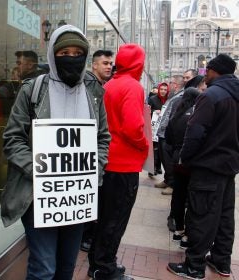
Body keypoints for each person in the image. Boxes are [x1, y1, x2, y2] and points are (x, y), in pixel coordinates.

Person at [1, 25, 110, 280]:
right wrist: (39, 170)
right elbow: (12, 139)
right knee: (43, 269)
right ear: (52, 55)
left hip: (76, 199)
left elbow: (103, 137)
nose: (72, 58)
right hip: (39, 196)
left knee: (66, 268)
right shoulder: (33, 90)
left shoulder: (94, 92)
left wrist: (95, 170)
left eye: (77, 52)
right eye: (64, 53)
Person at [168, 54, 238, 279]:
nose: (204, 74)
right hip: (228, 167)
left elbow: (195, 132)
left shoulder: (211, 96)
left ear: (216, 71)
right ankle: (221, 260)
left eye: (207, 70)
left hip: (207, 167)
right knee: (225, 216)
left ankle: (194, 266)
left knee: (201, 215)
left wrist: (185, 158)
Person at [88, 44, 149, 280]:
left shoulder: (110, 84)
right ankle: (105, 268)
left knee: (104, 218)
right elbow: (133, 127)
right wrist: (144, 145)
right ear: (138, 64)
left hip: (107, 162)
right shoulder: (132, 86)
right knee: (116, 219)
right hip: (124, 165)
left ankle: (99, 262)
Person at [164, 75, 205, 250]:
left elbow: (168, 138)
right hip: (191, 161)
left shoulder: (176, 116)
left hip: (176, 159)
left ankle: (178, 228)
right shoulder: (196, 117)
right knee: (191, 198)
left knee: (178, 195)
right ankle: (187, 234)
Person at [80, 49, 114, 253]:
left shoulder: (98, 86)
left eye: (111, 63)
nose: (109, 66)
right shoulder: (90, 85)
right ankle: (84, 236)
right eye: (105, 63)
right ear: (93, 65)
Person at [147, 82, 169, 176]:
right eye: (161, 89)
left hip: (164, 127)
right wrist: (154, 111)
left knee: (161, 148)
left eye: (165, 89)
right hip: (153, 126)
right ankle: (152, 168)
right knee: (154, 147)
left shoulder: (169, 100)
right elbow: (147, 110)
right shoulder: (153, 99)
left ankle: (158, 166)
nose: (163, 91)